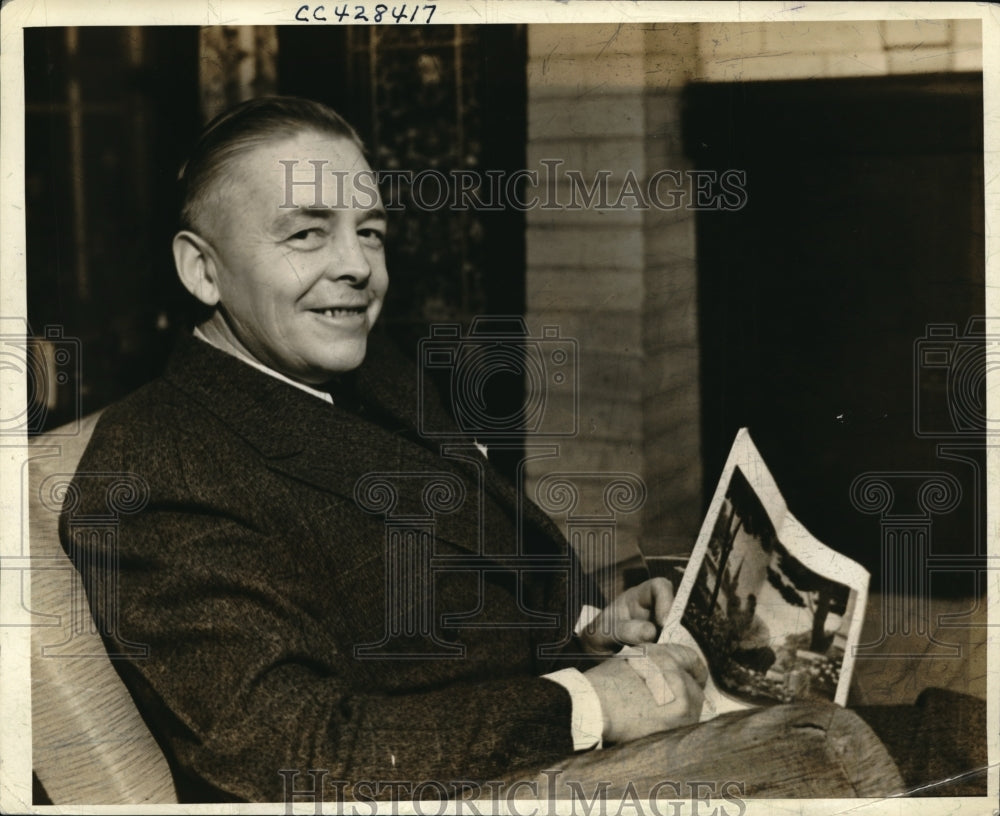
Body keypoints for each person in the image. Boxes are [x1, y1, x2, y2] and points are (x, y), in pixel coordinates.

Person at [62, 97, 907, 803]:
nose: (358, 268)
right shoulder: (159, 469)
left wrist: (584, 626)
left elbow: (450, 575)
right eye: (307, 235)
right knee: (847, 751)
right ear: (202, 271)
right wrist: (587, 703)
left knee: (909, 729)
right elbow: (298, 749)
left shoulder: (365, 371)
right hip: (505, 787)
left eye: (372, 230)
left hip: (542, 738)